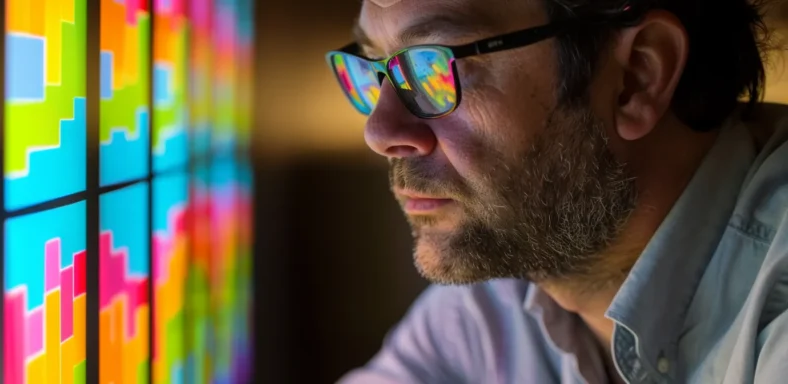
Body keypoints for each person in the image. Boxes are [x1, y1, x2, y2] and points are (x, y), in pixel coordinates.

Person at [325, 0, 788, 383]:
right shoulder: (495, 300)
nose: (379, 131)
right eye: (376, 72)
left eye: (432, 66)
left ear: (637, 78)